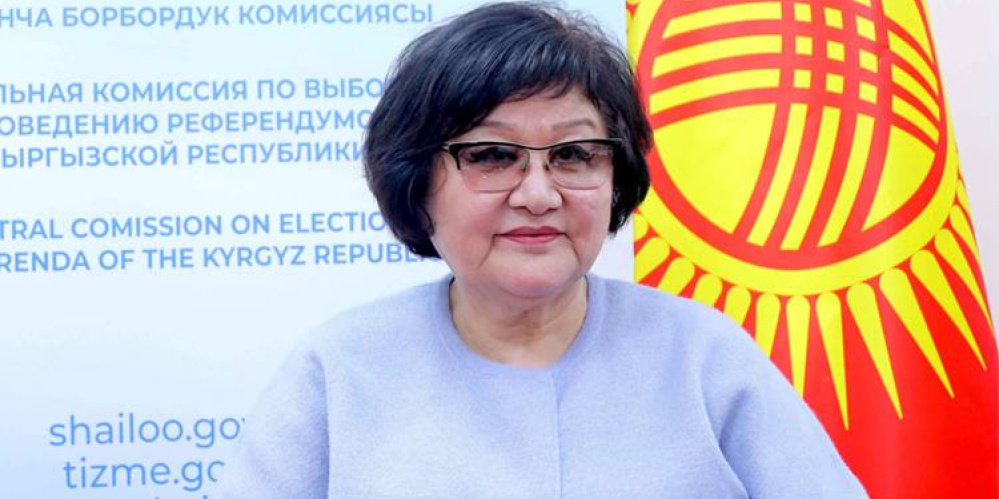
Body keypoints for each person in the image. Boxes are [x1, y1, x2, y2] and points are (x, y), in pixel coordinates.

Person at [222, 2, 867, 497]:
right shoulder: (339, 370)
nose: (538, 194)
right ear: (416, 182)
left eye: (574, 154)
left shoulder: (702, 356)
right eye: (492, 154)